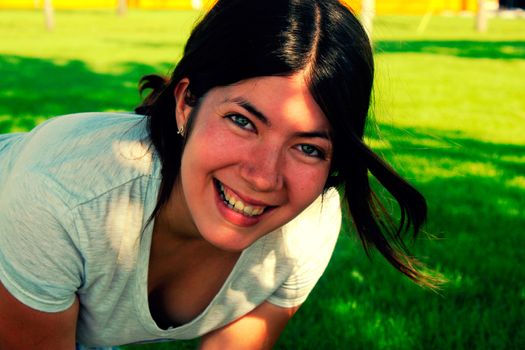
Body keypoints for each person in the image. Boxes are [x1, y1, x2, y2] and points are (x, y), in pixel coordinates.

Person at [0, 0, 438, 348]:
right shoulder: (61, 193)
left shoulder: (307, 228)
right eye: (243, 121)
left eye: (308, 147)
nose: (264, 178)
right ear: (186, 102)